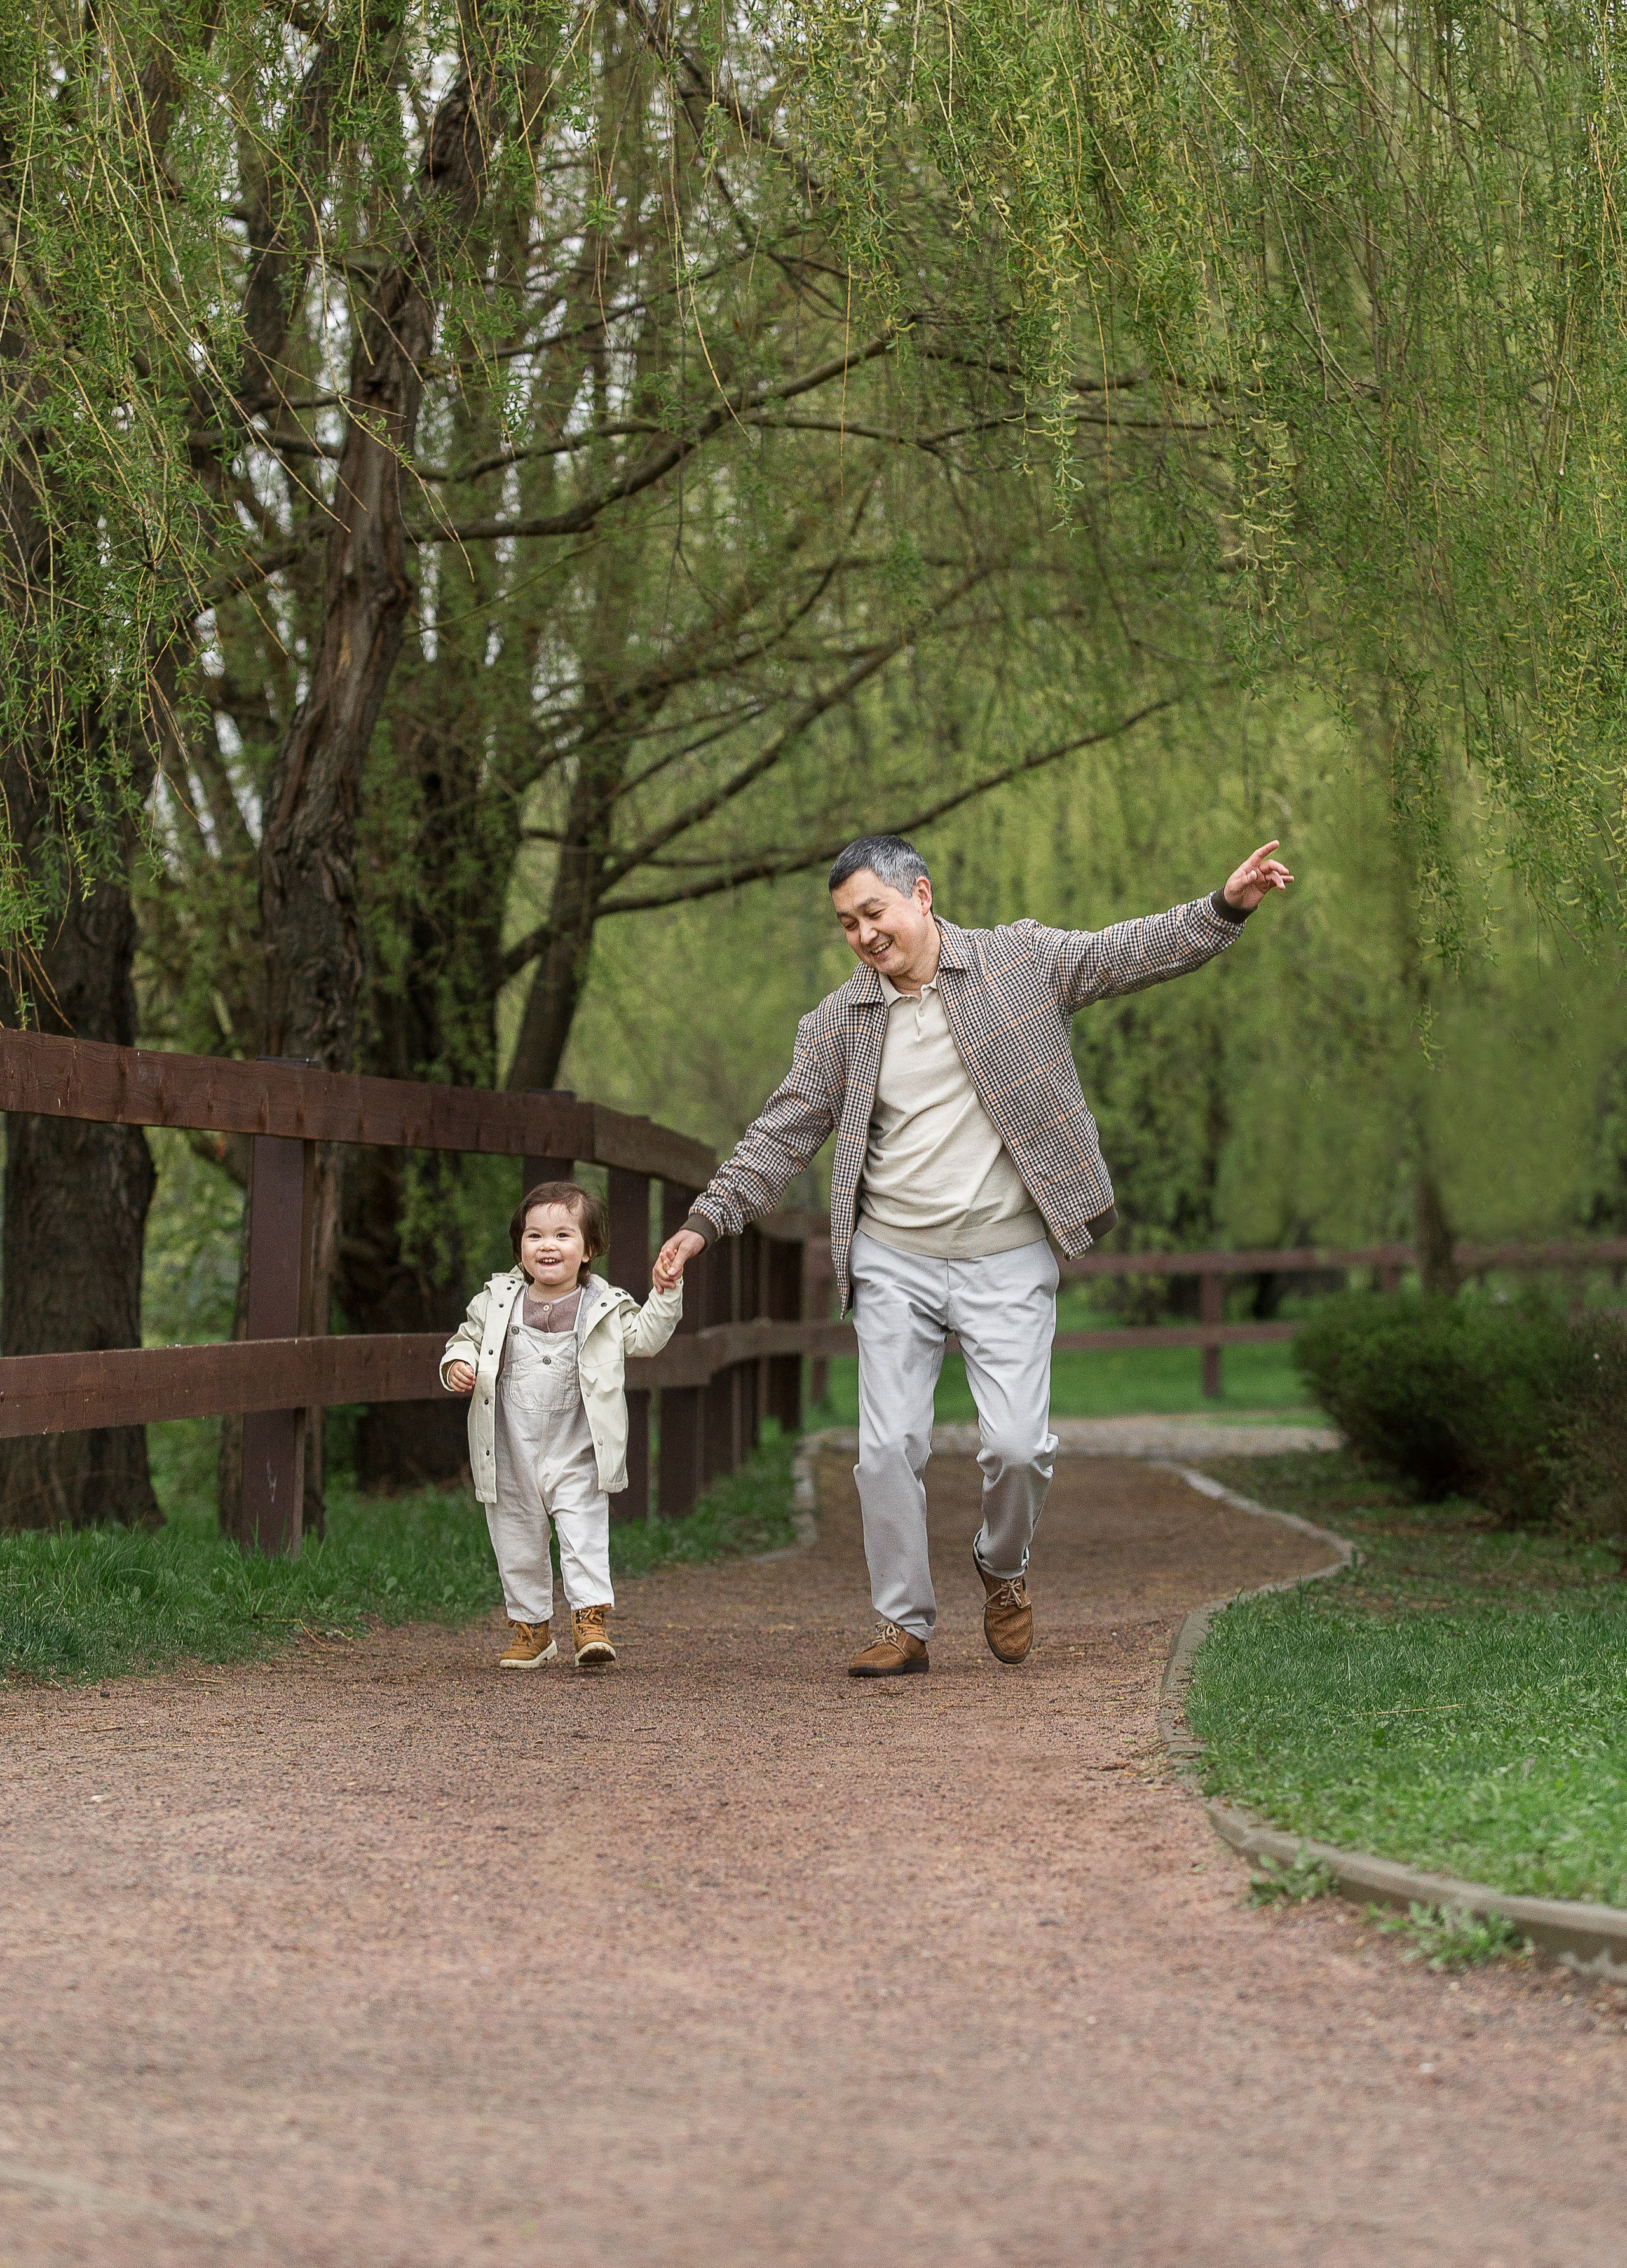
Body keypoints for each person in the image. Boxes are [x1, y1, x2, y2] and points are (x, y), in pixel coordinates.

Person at [654, 833, 1293, 1678]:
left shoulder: (1017, 962)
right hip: (894, 1257)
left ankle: (1002, 1565)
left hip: (1008, 1251)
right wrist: (707, 1218)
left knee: (1019, 1447)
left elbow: (1125, 951)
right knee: (885, 1449)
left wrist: (1223, 909)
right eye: (847, 924)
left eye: (873, 913)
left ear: (920, 895)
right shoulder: (837, 1022)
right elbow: (784, 1131)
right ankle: (902, 1624)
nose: (864, 936)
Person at [442, 1181, 683, 1670]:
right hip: (512, 1445)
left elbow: (646, 1337)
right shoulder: (495, 1300)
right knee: (516, 1537)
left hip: (577, 1446)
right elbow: (465, 1338)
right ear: (520, 1247)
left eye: (562, 1235)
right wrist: (458, 1363)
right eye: (534, 1236)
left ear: (589, 1248)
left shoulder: (605, 1306)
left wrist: (665, 1291)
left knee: (583, 1530)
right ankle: (531, 1628)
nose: (547, 1246)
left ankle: (589, 1618)